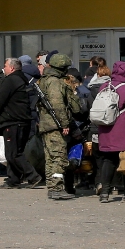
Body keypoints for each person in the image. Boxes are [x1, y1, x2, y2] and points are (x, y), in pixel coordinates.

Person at [0, 58, 42, 189]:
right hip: (23, 121)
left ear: (11, 68)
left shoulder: (10, 80)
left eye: (5, 66)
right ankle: (14, 179)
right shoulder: (22, 80)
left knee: (13, 153)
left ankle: (33, 176)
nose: (3, 69)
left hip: (13, 121)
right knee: (15, 151)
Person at [35, 53, 80, 200]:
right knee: (59, 157)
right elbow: (58, 105)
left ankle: (53, 186)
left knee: (51, 158)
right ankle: (56, 188)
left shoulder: (44, 80)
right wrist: (64, 124)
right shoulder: (54, 82)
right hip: (55, 125)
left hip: (47, 125)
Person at [95, 61, 125, 202]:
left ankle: (105, 192)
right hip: (123, 127)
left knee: (108, 159)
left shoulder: (105, 85)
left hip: (105, 126)